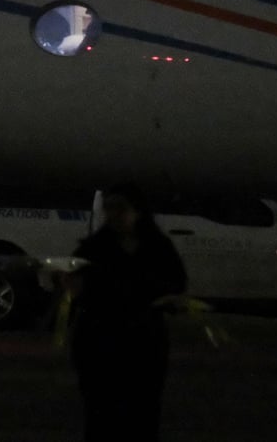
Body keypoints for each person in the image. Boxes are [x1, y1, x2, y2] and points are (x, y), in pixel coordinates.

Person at [67, 184, 187, 442]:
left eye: (120, 208)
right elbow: (78, 289)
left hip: (144, 343)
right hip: (100, 341)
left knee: (142, 412)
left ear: (138, 211)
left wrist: (169, 300)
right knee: (101, 413)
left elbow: (177, 284)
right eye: (108, 208)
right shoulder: (94, 248)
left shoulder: (158, 246)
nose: (113, 214)